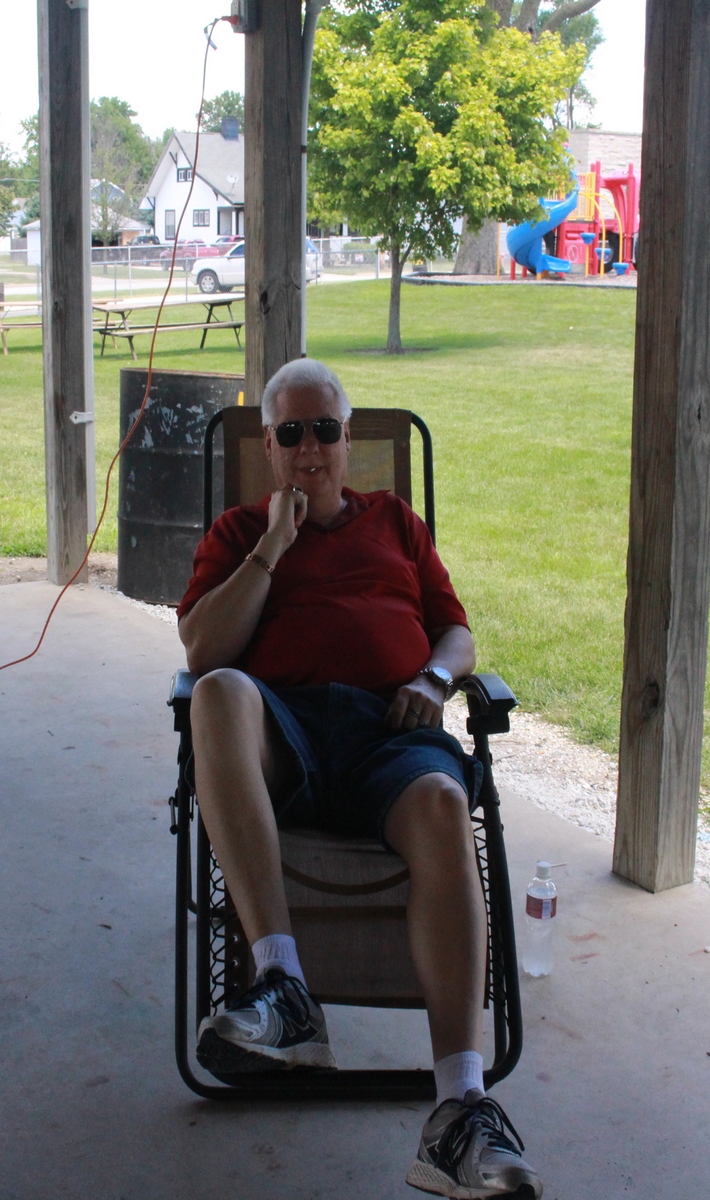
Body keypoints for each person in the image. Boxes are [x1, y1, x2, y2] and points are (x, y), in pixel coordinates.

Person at [176, 358, 542, 1200]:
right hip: (287, 735)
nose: (310, 449)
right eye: (291, 433)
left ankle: (459, 1112)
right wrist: (273, 546)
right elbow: (202, 650)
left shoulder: (397, 524)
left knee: (445, 802)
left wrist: (433, 682)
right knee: (219, 691)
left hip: (391, 731)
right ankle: (285, 987)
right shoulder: (240, 532)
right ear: (269, 445)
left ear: (348, 440)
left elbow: (455, 633)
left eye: (325, 431)